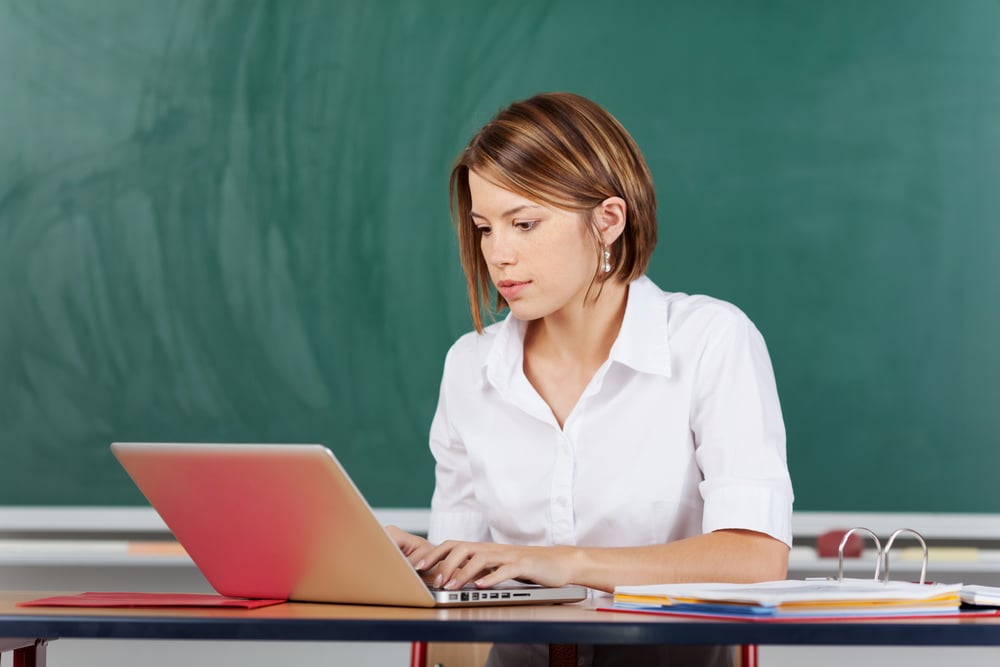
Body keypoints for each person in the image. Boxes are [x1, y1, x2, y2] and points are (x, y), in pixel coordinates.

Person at [388, 92, 793, 666]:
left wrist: (567, 562)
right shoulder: (469, 365)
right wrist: (424, 563)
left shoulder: (711, 340)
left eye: (524, 223)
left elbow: (757, 558)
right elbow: (464, 588)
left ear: (607, 220)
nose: (498, 254)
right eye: (484, 228)